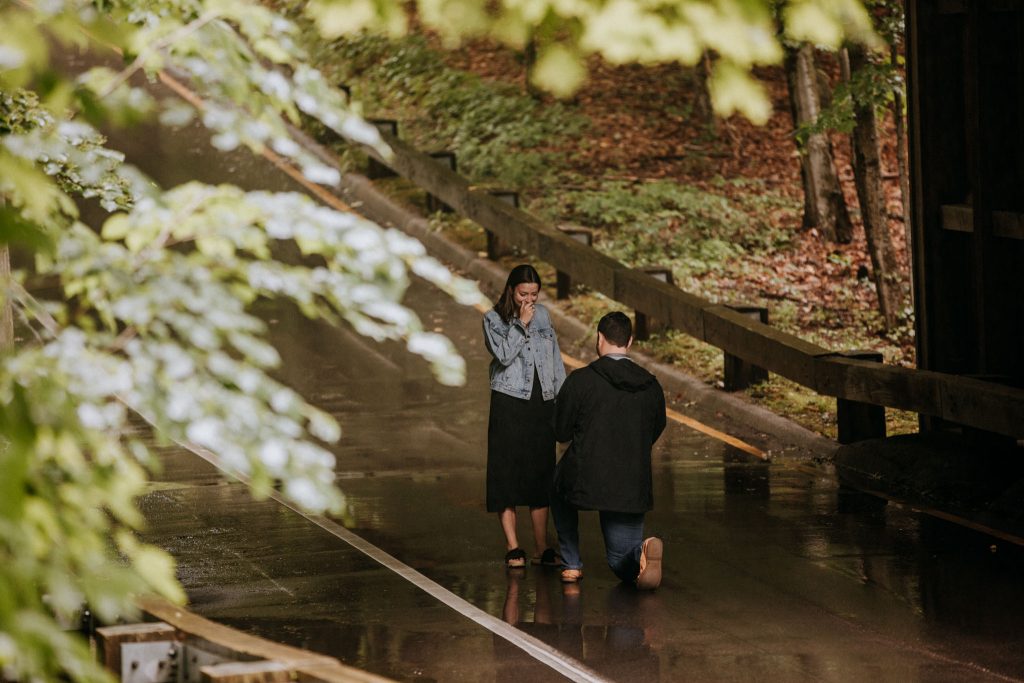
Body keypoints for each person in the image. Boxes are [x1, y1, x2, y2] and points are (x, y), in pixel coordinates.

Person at [551, 311, 667, 589]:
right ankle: (641, 552)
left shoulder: (580, 380)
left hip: (585, 478)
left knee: (556, 484)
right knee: (619, 561)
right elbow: (656, 427)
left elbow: (561, 432)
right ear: (630, 341)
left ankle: (571, 563)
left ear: (599, 339)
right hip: (631, 483)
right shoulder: (650, 385)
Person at [482, 264, 567, 568]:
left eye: (534, 294)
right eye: (522, 294)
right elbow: (503, 355)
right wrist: (520, 323)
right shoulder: (493, 319)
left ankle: (542, 547)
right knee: (506, 473)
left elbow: (555, 358)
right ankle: (513, 545)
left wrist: (562, 397)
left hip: (541, 402)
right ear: (511, 290)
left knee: (541, 474)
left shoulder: (543, 315)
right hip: (509, 401)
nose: (528, 300)